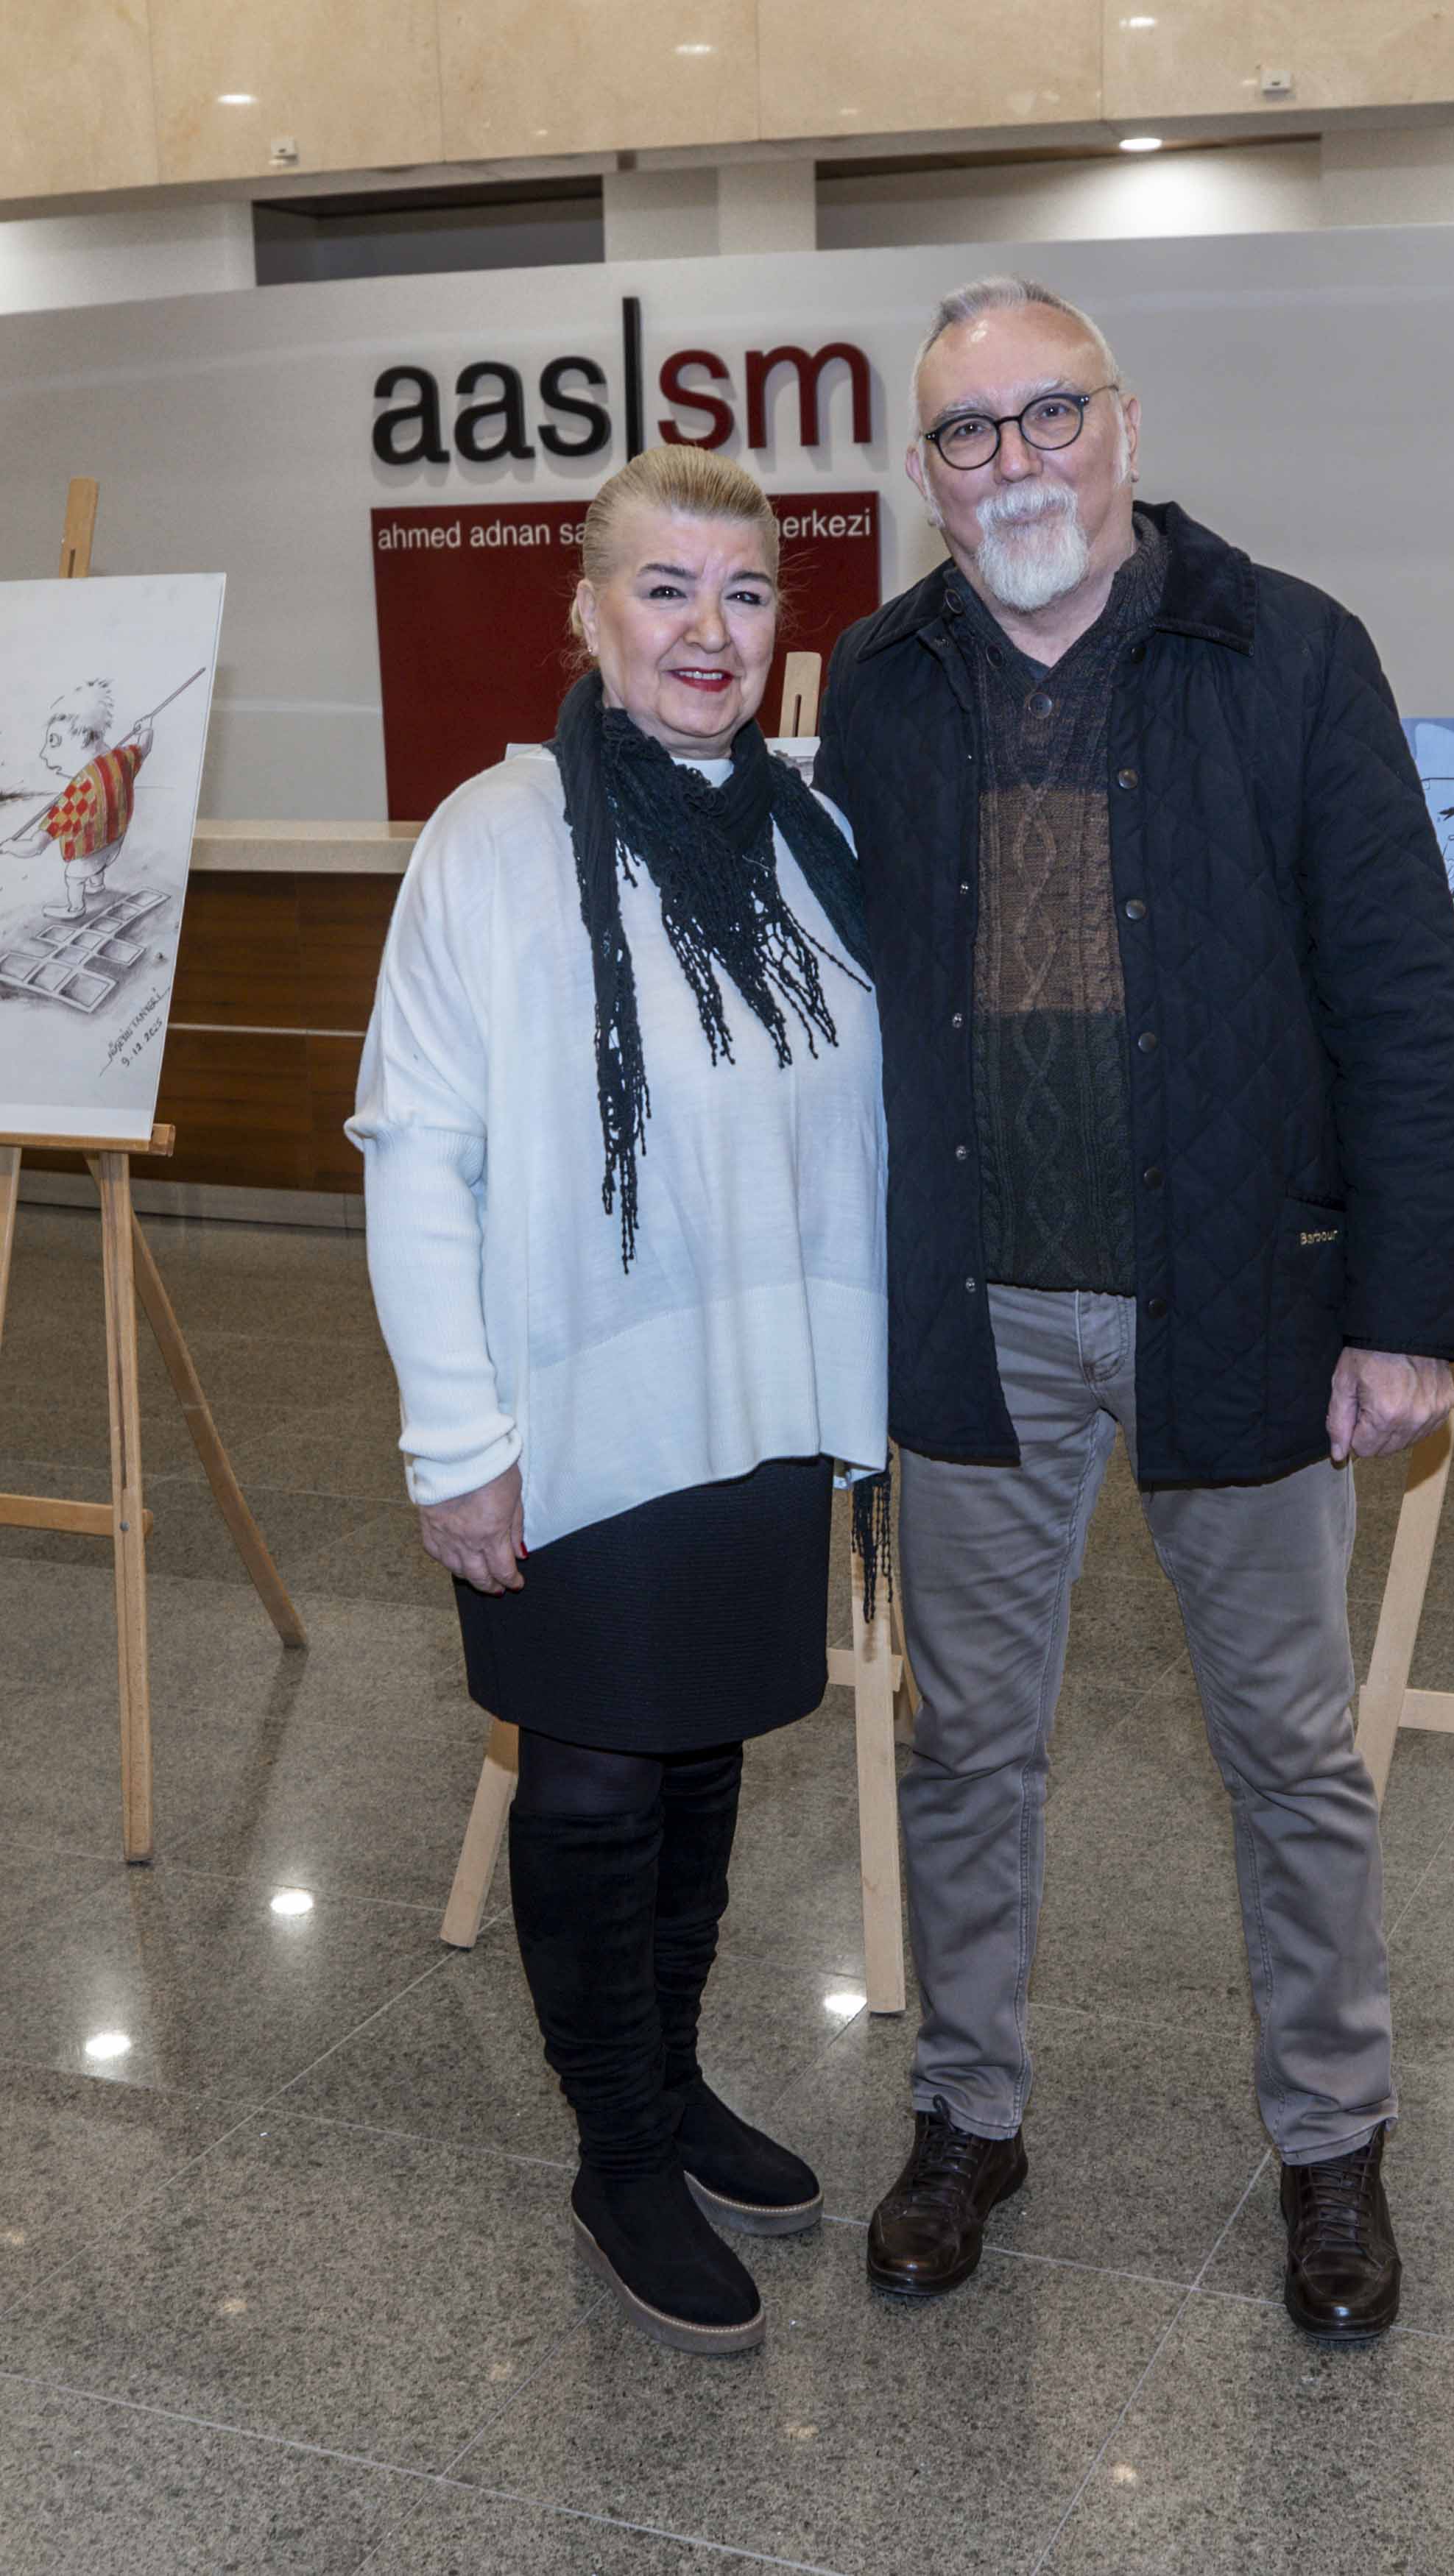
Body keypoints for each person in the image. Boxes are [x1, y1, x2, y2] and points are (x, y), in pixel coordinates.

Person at [814, 277, 1454, 2342]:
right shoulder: (879, 684)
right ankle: (965, 2113)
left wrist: (1402, 1307)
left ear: (1122, 424)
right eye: (966, 432)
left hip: (1239, 1301)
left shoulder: (1287, 651)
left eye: (1049, 416)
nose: (1012, 461)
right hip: (974, 1311)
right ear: (923, 474)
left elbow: (1402, 999)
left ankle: (1332, 2142)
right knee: (964, 1747)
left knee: (1288, 1751)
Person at [349, 445, 888, 2358]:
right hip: (569, 1412)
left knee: (702, 1750)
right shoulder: (490, 841)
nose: (704, 631)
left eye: (741, 593)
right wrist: (454, 1439)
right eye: (662, 589)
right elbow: (413, 1151)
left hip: (760, 1398)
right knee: (588, 1783)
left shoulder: (812, 835)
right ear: (584, 614)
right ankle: (616, 2154)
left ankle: (669, 2080)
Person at [0, 681, 153, 918]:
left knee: (73, 877)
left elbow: (36, 846)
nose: (43, 754)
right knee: (96, 863)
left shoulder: (77, 794)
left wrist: (9, 847)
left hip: (89, 855)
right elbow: (144, 747)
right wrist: (147, 728)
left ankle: (76, 907)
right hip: (115, 842)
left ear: (82, 737)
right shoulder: (121, 759)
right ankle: (97, 884)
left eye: (54, 741)